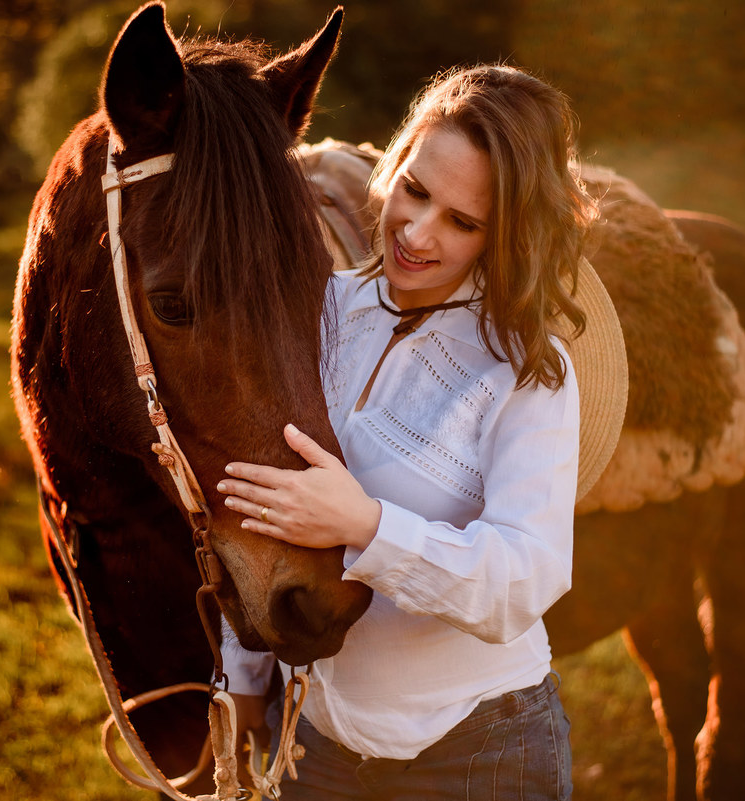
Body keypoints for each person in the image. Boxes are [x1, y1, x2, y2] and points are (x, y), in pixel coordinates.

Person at [215, 64, 619, 800]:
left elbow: (522, 581)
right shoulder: (317, 313)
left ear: (509, 234)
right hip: (317, 743)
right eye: (416, 189)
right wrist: (242, 682)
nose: (417, 232)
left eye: (463, 222)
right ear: (394, 163)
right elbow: (254, 515)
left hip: (481, 752)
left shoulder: (527, 370)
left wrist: (367, 526)